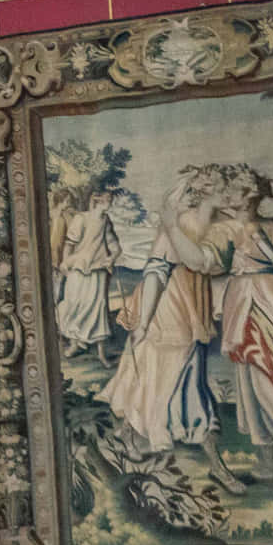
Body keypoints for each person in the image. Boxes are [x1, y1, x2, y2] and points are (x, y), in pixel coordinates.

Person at [163, 164, 273, 514]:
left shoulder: (230, 230)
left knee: (272, 388)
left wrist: (171, 226)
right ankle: (269, 468)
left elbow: (200, 262)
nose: (224, 197)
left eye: (230, 192)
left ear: (241, 199)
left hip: (253, 310)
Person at [98, 166, 245, 493]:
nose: (223, 193)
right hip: (168, 313)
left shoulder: (217, 223)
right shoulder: (179, 223)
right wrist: (144, 322)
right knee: (163, 382)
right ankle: (214, 465)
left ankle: (211, 464)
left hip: (191, 313)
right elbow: (156, 272)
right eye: (216, 186)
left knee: (182, 384)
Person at [54, 188, 122, 363]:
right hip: (78, 269)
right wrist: (65, 264)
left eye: (111, 199)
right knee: (75, 305)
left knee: (97, 308)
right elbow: (69, 244)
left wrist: (111, 258)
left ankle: (101, 352)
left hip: (97, 270)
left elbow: (115, 246)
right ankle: (75, 343)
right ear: (98, 200)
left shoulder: (105, 221)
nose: (110, 202)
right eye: (108, 199)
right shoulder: (81, 218)